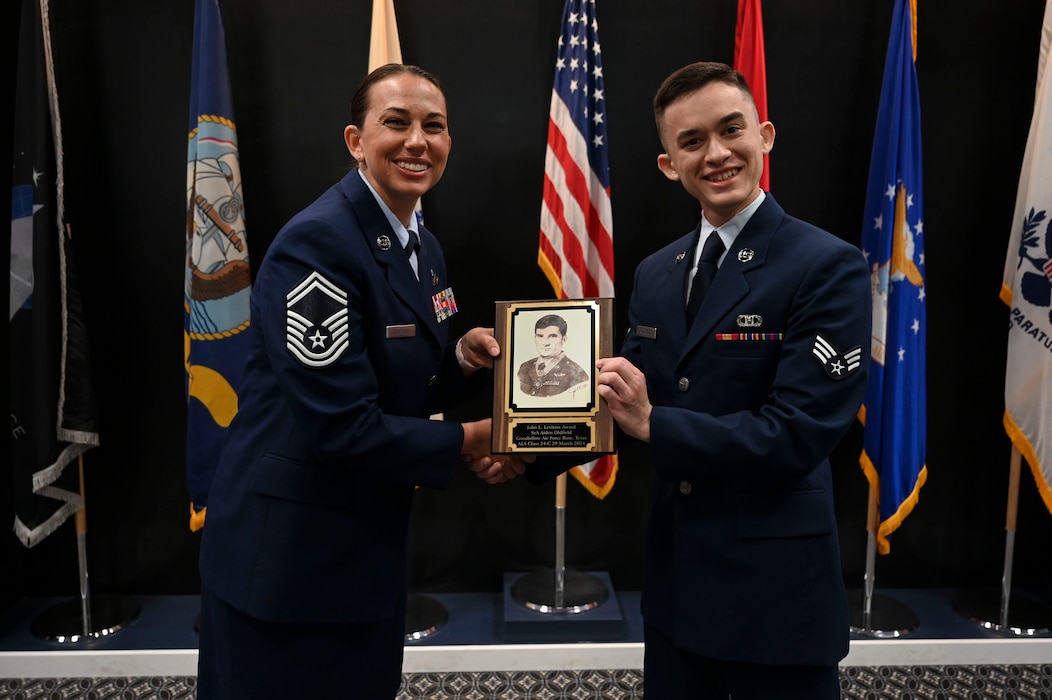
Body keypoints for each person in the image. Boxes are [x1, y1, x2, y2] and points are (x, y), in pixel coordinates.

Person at [502, 61, 871, 699]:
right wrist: (518, 449)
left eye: (732, 131)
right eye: (692, 141)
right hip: (678, 586)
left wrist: (654, 423)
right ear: (670, 164)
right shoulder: (656, 273)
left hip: (775, 591)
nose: (717, 154)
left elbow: (795, 437)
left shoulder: (827, 266)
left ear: (766, 135)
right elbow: (613, 400)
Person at [196, 64, 523, 700]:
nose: (417, 141)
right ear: (355, 140)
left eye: (435, 126)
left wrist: (461, 360)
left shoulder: (419, 244)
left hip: (358, 551)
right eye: (395, 123)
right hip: (288, 565)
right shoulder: (319, 244)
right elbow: (343, 426)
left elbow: (393, 381)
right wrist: (479, 437)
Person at [516, 313, 590, 399]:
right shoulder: (525, 367)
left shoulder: (578, 374)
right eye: (540, 336)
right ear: (535, 338)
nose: (545, 343)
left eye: (552, 336)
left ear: (564, 339)